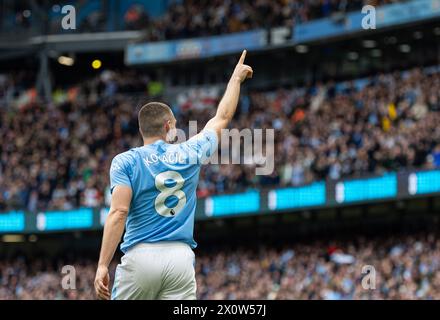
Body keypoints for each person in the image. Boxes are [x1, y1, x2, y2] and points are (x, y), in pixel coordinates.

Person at [94, 50, 253, 300]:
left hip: (140, 256)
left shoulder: (125, 161)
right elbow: (221, 118)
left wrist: (103, 264)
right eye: (175, 124)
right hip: (180, 258)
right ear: (168, 126)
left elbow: (119, 212)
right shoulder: (190, 151)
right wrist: (235, 80)